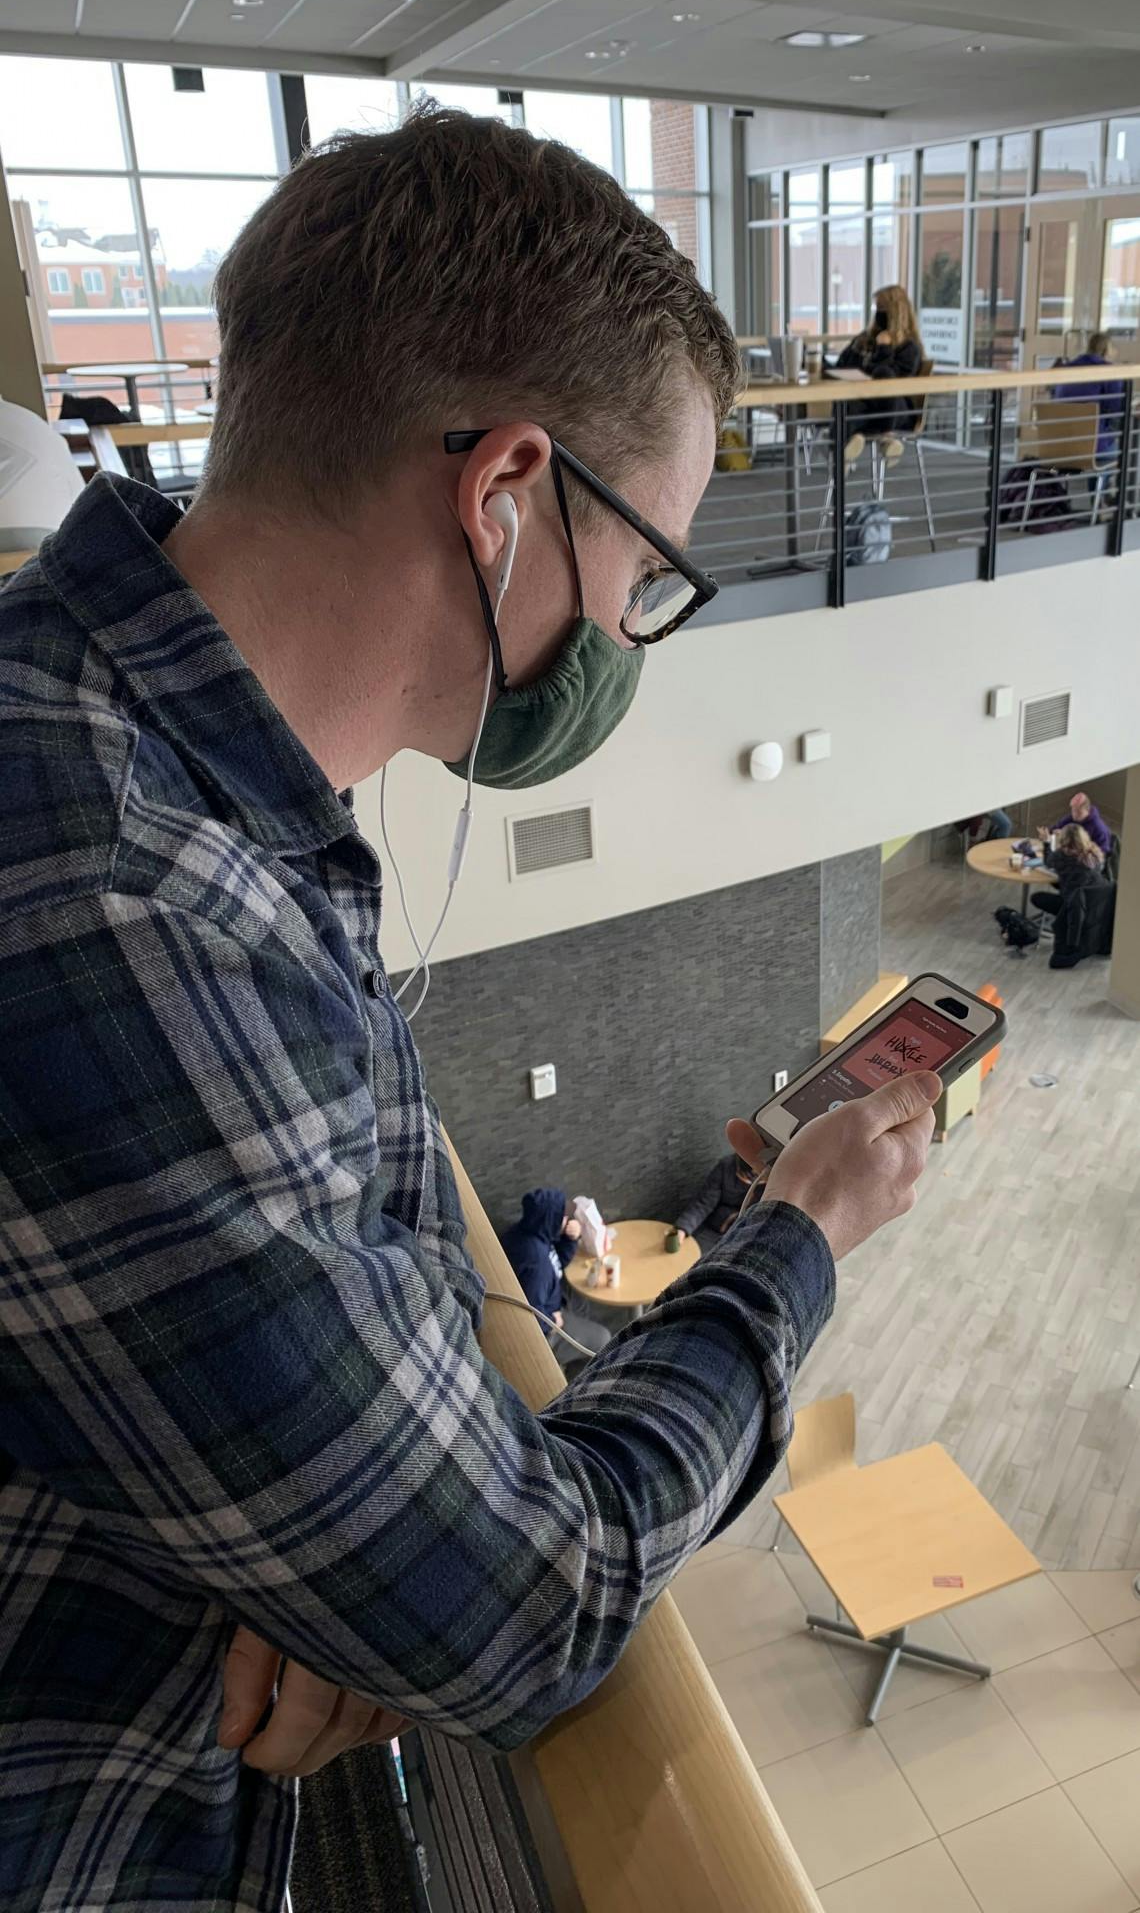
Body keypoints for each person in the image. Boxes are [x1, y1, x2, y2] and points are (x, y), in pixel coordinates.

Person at [0, 105, 942, 1913]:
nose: (631, 638)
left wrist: (345, 1569)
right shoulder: (125, 901)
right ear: (504, 495)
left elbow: (393, 1446)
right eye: (648, 571)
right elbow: (526, 1607)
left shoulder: (136, 752)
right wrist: (802, 1229)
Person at [499, 1187, 611, 1376]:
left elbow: (557, 1263)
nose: (568, 1219)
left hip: (552, 1298)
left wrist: (570, 1239)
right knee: (602, 1340)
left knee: (581, 1306)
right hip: (545, 1329)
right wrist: (551, 1320)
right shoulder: (536, 1265)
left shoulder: (528, 1233)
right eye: (564, 1216)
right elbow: (532, 1315)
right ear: (550, 1220)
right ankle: (575, 1384)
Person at [831, 284, 925, 465]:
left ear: (896, 312)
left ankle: (872, 439)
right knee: (846, 406)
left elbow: (890, 380)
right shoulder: (865, 339)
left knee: (883, 374)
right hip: (865, 404)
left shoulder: (909, 348)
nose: (878, 314)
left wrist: (884, 348)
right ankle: (865, 443)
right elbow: (843, 364)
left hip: (896, 410)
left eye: (883, 308)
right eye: (877, 308)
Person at [1031, 822, 1112, 969]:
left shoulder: (1061, 856)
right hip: (1094, 901)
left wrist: (1047, 842)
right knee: (1057, 884)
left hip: (1074, 903)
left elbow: (1048, 862)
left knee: (1036, 898)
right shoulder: (1095, 854)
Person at [676, 1149, 772, 1250]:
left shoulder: (774, 1180)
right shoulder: (727, 1166)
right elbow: (704, 1203)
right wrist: (682, 1229)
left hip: (746, 1236)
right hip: (716, 1227)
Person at [1050, 332, 1124, 461]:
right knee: (1121, 447)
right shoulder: (1108, 371)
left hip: (1060, 443)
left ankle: (1098, 480)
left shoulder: (1067, 368)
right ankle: (1101, 481)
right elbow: (1117, 406)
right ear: (1107, 349)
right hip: (1092, 445)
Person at [1038, 791, 1112, 855]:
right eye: (1073, 810)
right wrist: (1047, 836)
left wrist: (1066, 836)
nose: (1074, 815)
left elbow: (1102, 853)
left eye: (1078, 812)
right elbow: (1054, 829)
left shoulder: (1099, 827)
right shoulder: (1071, 818)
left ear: (1087, 809)